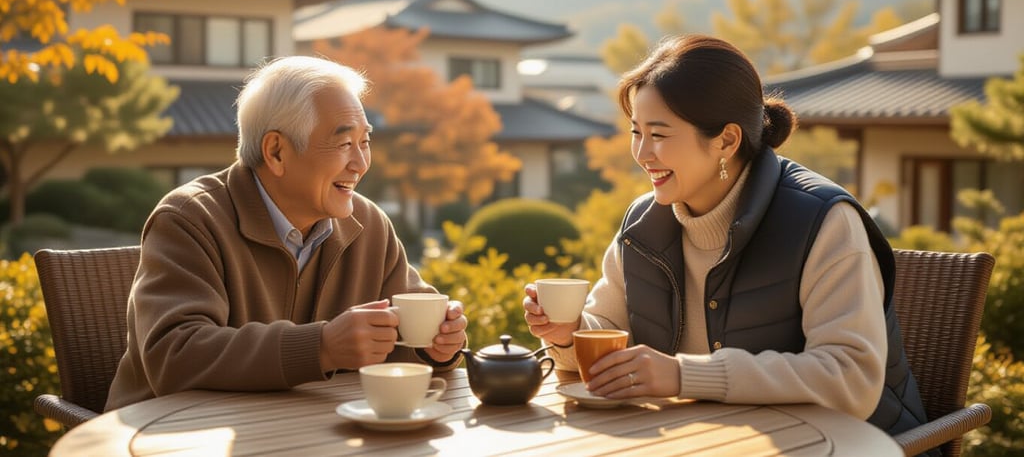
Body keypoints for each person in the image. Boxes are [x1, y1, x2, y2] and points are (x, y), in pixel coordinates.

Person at [522, 34, 930, 438]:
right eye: (636, 132)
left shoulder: (822, 220)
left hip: (851, 447)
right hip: (708, 441)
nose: (642, 153)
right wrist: (568, 331)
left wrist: (683, 375)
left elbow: (851, 378)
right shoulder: (642, 225)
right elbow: (606, 330)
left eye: (659, 134)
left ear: (726, 140)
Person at [106, 55, 467, 410]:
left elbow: (405, 340)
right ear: (276, 151)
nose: (360, 163)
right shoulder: (190, 218)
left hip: (303, 432)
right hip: (174, 437)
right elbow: (174, 355)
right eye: (344, 144)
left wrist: (437, 345)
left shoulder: (369, 224)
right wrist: (321, 347)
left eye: (365, 141)